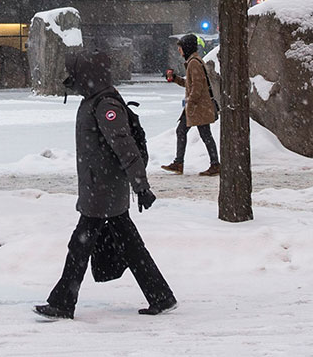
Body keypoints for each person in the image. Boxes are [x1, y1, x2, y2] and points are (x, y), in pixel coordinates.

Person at [34, 49, 176, 321]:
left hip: (102, 192)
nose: (72, 78)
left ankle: (63, 302)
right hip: (101, 190)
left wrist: (141, 186)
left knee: (80, 246)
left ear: (87, 75)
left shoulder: (105, 104)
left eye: (76, 74)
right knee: (130, 247)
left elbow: (125, 146)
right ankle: (161, 296)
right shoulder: (95, 99)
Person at [160, 34, 220, 176]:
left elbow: (197, 87)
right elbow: (190, 84)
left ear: (186, 47)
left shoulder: (194, 63)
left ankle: (182, 163)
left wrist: (190, 103)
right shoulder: (193, 61)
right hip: (198, 106)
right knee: (201, 134)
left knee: (190, 132)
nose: (179, 51)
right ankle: (183, 162)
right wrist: (175, 79)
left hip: (197, 107)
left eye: (180, 48)